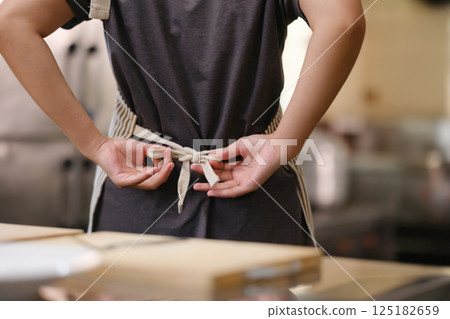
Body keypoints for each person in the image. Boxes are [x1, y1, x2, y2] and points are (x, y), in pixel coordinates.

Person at [0, 0, 365, 245]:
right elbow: (343, 20)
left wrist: (94, 144)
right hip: (257, 200)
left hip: (137, 196)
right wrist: (286, 141)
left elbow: (11, 21)